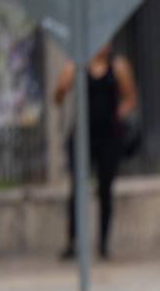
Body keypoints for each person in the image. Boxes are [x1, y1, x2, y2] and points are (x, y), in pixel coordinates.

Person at [54, 42, 138, 261]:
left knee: (105, 190)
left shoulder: (118, 66)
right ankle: (72, 242)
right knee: (77, 189)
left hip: (109, 137)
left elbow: (130, 98)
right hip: (82, 137)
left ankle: (103, 244)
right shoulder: (77, 66)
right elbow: (58, 97)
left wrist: (118, 113)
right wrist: (62, 86)